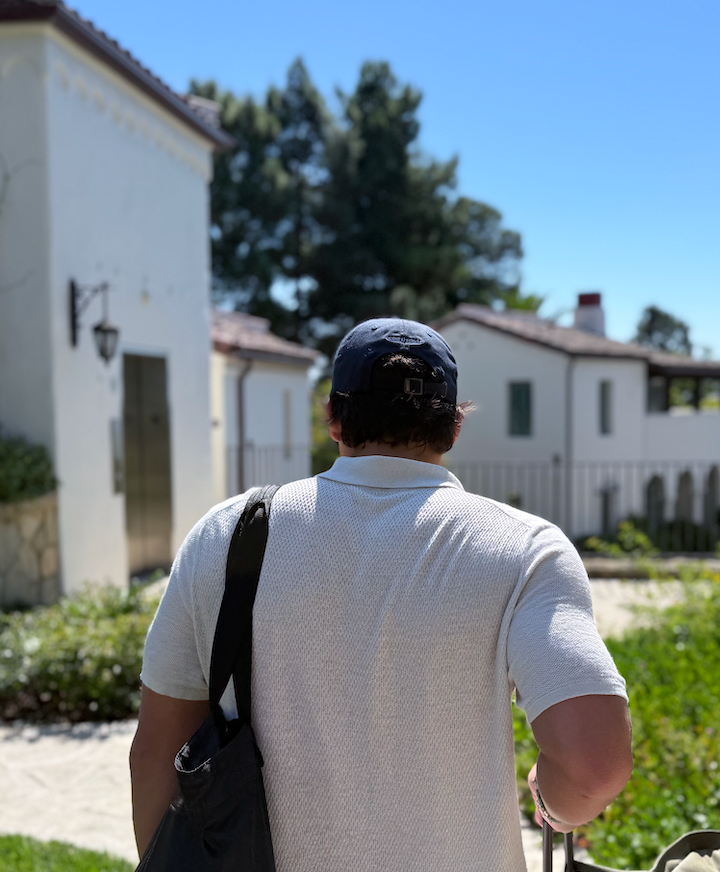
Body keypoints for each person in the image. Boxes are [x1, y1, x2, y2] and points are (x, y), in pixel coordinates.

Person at [130, 317, 632, 870]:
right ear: (454, 427)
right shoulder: (525, 549)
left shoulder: (228, 535)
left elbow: (157, 750)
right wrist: (551, 802)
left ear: (333, 417)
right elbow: (592, 768)